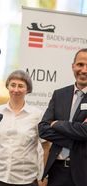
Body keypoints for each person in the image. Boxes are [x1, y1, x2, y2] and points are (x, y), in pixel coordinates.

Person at [0, 70, 45, 186]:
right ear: (7, 86)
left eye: (21, 86)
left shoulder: (37, 115)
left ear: (28, 89)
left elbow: (46, 147)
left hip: (24, 180)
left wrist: (43, 176)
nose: (16, 90)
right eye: (13, 85)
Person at [38, 48, 87, 186]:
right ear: (73, 66)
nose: (84, 70)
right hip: (56, 171)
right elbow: (43, 129)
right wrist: (78, 139)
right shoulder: (59, 94)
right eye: (80, 64)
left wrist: (57, 124)